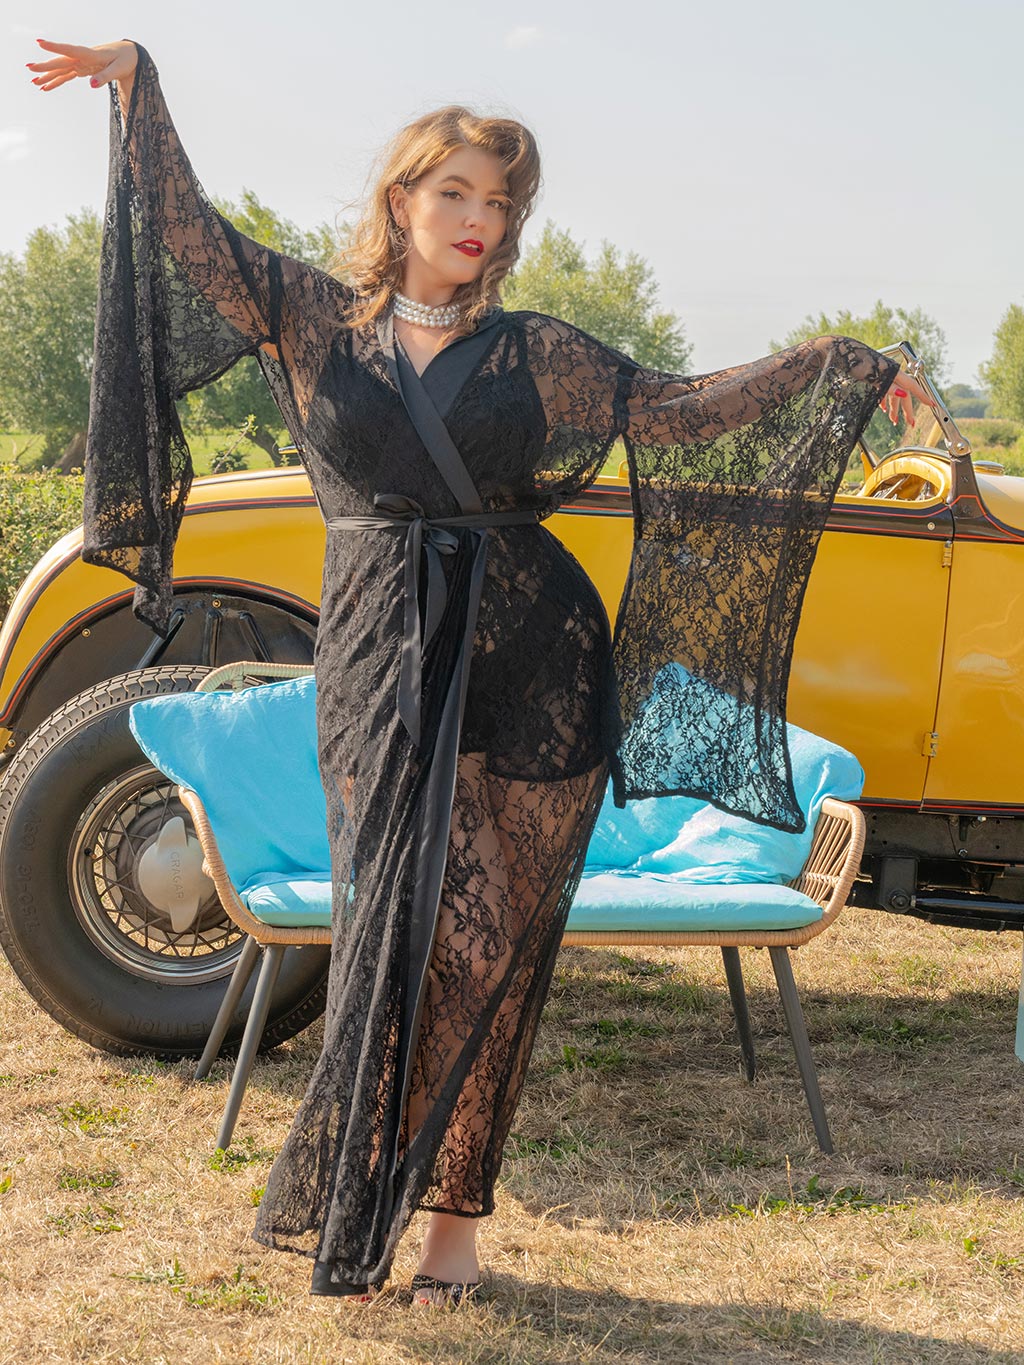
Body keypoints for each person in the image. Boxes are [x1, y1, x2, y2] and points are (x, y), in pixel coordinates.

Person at [26, 36, 930, 1309]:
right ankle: (358, 1205)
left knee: (493, 944)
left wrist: (843, 364)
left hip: (529, 657)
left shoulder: (537, 352)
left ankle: (450, 1229)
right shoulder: (306, 321)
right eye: (453, 191)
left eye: (499, 200)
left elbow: (685, 409)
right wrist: (137, 88)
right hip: (378, 660)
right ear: (399, 200)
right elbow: (185, 232)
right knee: (400, 931)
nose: (478, 218)